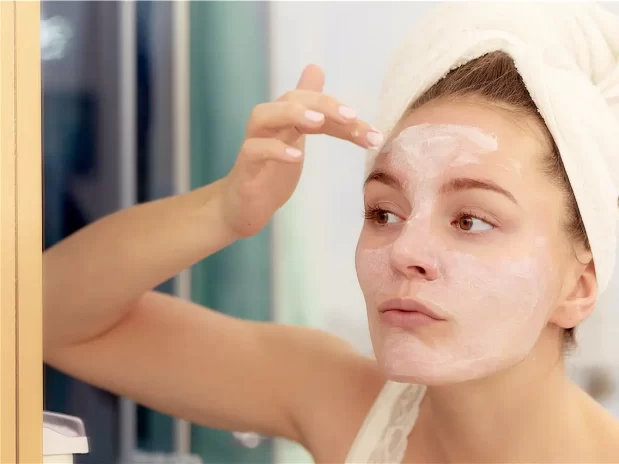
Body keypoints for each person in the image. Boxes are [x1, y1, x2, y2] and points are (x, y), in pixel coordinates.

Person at [44, 3, 619, 463]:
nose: (406, 251)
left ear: (580, 285)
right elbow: (43, 317)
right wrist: (223, 211)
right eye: (384, 213)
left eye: (470, 220)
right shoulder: (340, 403)